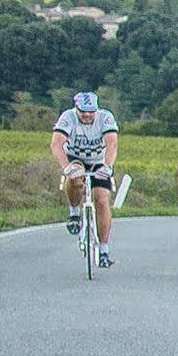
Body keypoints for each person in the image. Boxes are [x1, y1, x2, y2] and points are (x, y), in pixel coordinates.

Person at [51, 91, 119, 267]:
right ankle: (74, 212)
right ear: (76, 108)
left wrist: (108, 167)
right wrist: (66, 168)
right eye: (83, 112)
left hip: (98, 161)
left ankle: (103, 250)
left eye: (91, 112)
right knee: (76, 178)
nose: (87, 115)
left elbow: (112, 143)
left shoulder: (105, 118)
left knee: (102, 200)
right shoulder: (67, 117)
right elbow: (56, 144)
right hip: (75, 158)